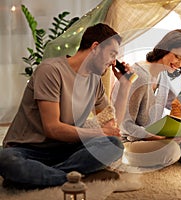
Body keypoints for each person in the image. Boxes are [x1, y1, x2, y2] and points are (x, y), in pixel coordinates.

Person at [0, 23, 133, 189]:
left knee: (113, 144)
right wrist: (99, 132)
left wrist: (125, 86)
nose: (114, 62)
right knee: (6, 160)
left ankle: (42, 177)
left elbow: (112, 127)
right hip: (28, 149)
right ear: (95, 47)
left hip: (66, 149)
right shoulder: (50, 70)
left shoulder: (95, 81)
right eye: (112, 54)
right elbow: (52, 129)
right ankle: (74, 178)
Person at [114, 29, 181, 170]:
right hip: (126, 142)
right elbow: (125, 125)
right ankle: (121, 160)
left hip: (147, 139)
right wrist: (159, 138)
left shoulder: (162, 75)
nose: (180, 63)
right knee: (172, 150)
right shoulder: (139, 76)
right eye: (177, 56)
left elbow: (176, 103)